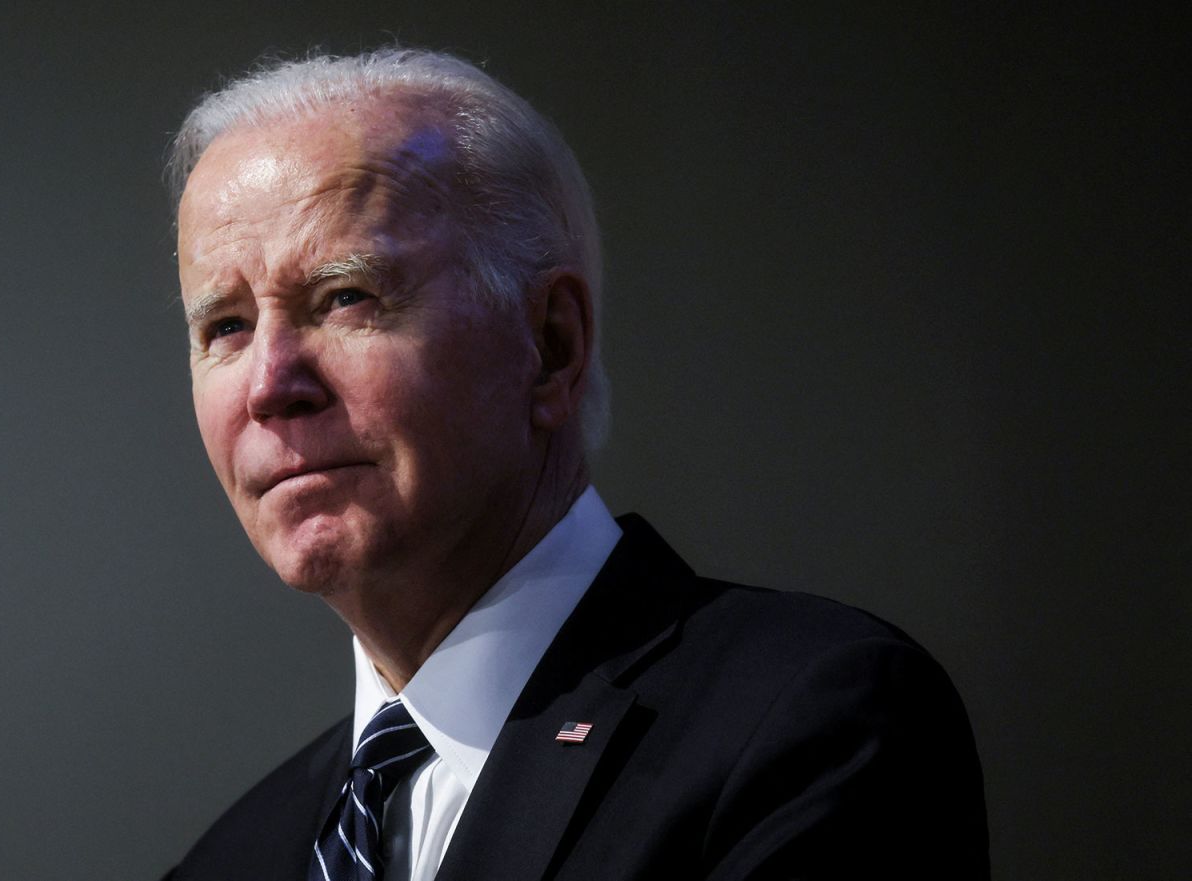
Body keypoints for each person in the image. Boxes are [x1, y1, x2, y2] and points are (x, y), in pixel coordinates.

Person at [161, 49, 989, 881]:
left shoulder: (810, 728)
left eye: (346, 297)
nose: (271, 386)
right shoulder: (231, 860)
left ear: (550, 345)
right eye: (225, 327)